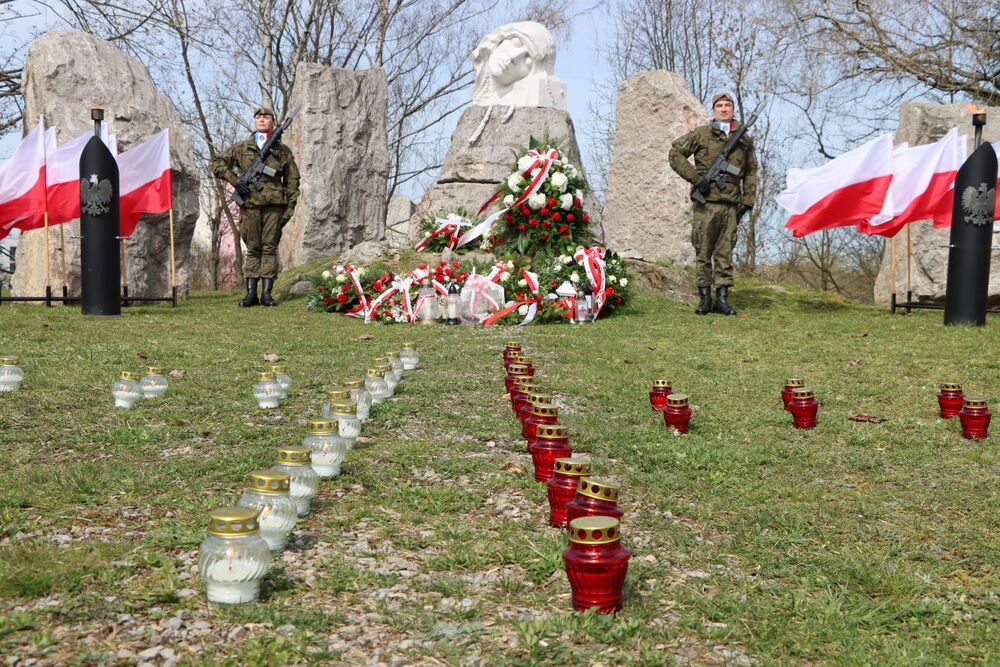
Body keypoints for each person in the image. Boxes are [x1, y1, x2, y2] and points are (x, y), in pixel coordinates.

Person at [669, 92, 756, 315]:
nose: (724, 109)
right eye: (720, 106)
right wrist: (697, 180)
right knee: (703, 251)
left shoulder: (744, 139)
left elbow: (750, 171)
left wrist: (748, 200)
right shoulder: (702, 133)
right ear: (714, 110)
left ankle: (722, 299)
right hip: (705, 205)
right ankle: (705, 299)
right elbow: (675, 153)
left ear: (733, 109)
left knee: (725, 254)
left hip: (730, 206)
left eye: (728, 105)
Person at [211, 107, 299, 307]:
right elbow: (217, 162)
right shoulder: (243, 148)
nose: (262, 119)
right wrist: (235, 180)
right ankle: (251, 294)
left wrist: (289, 207)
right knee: (253, 248)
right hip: (250, 205)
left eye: (266, 117)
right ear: (254, 121)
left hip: (274, 206)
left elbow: (293, 180)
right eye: (258, 117)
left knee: (269, 248)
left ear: (273, 122)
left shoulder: (282, 150)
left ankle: (267, 294)